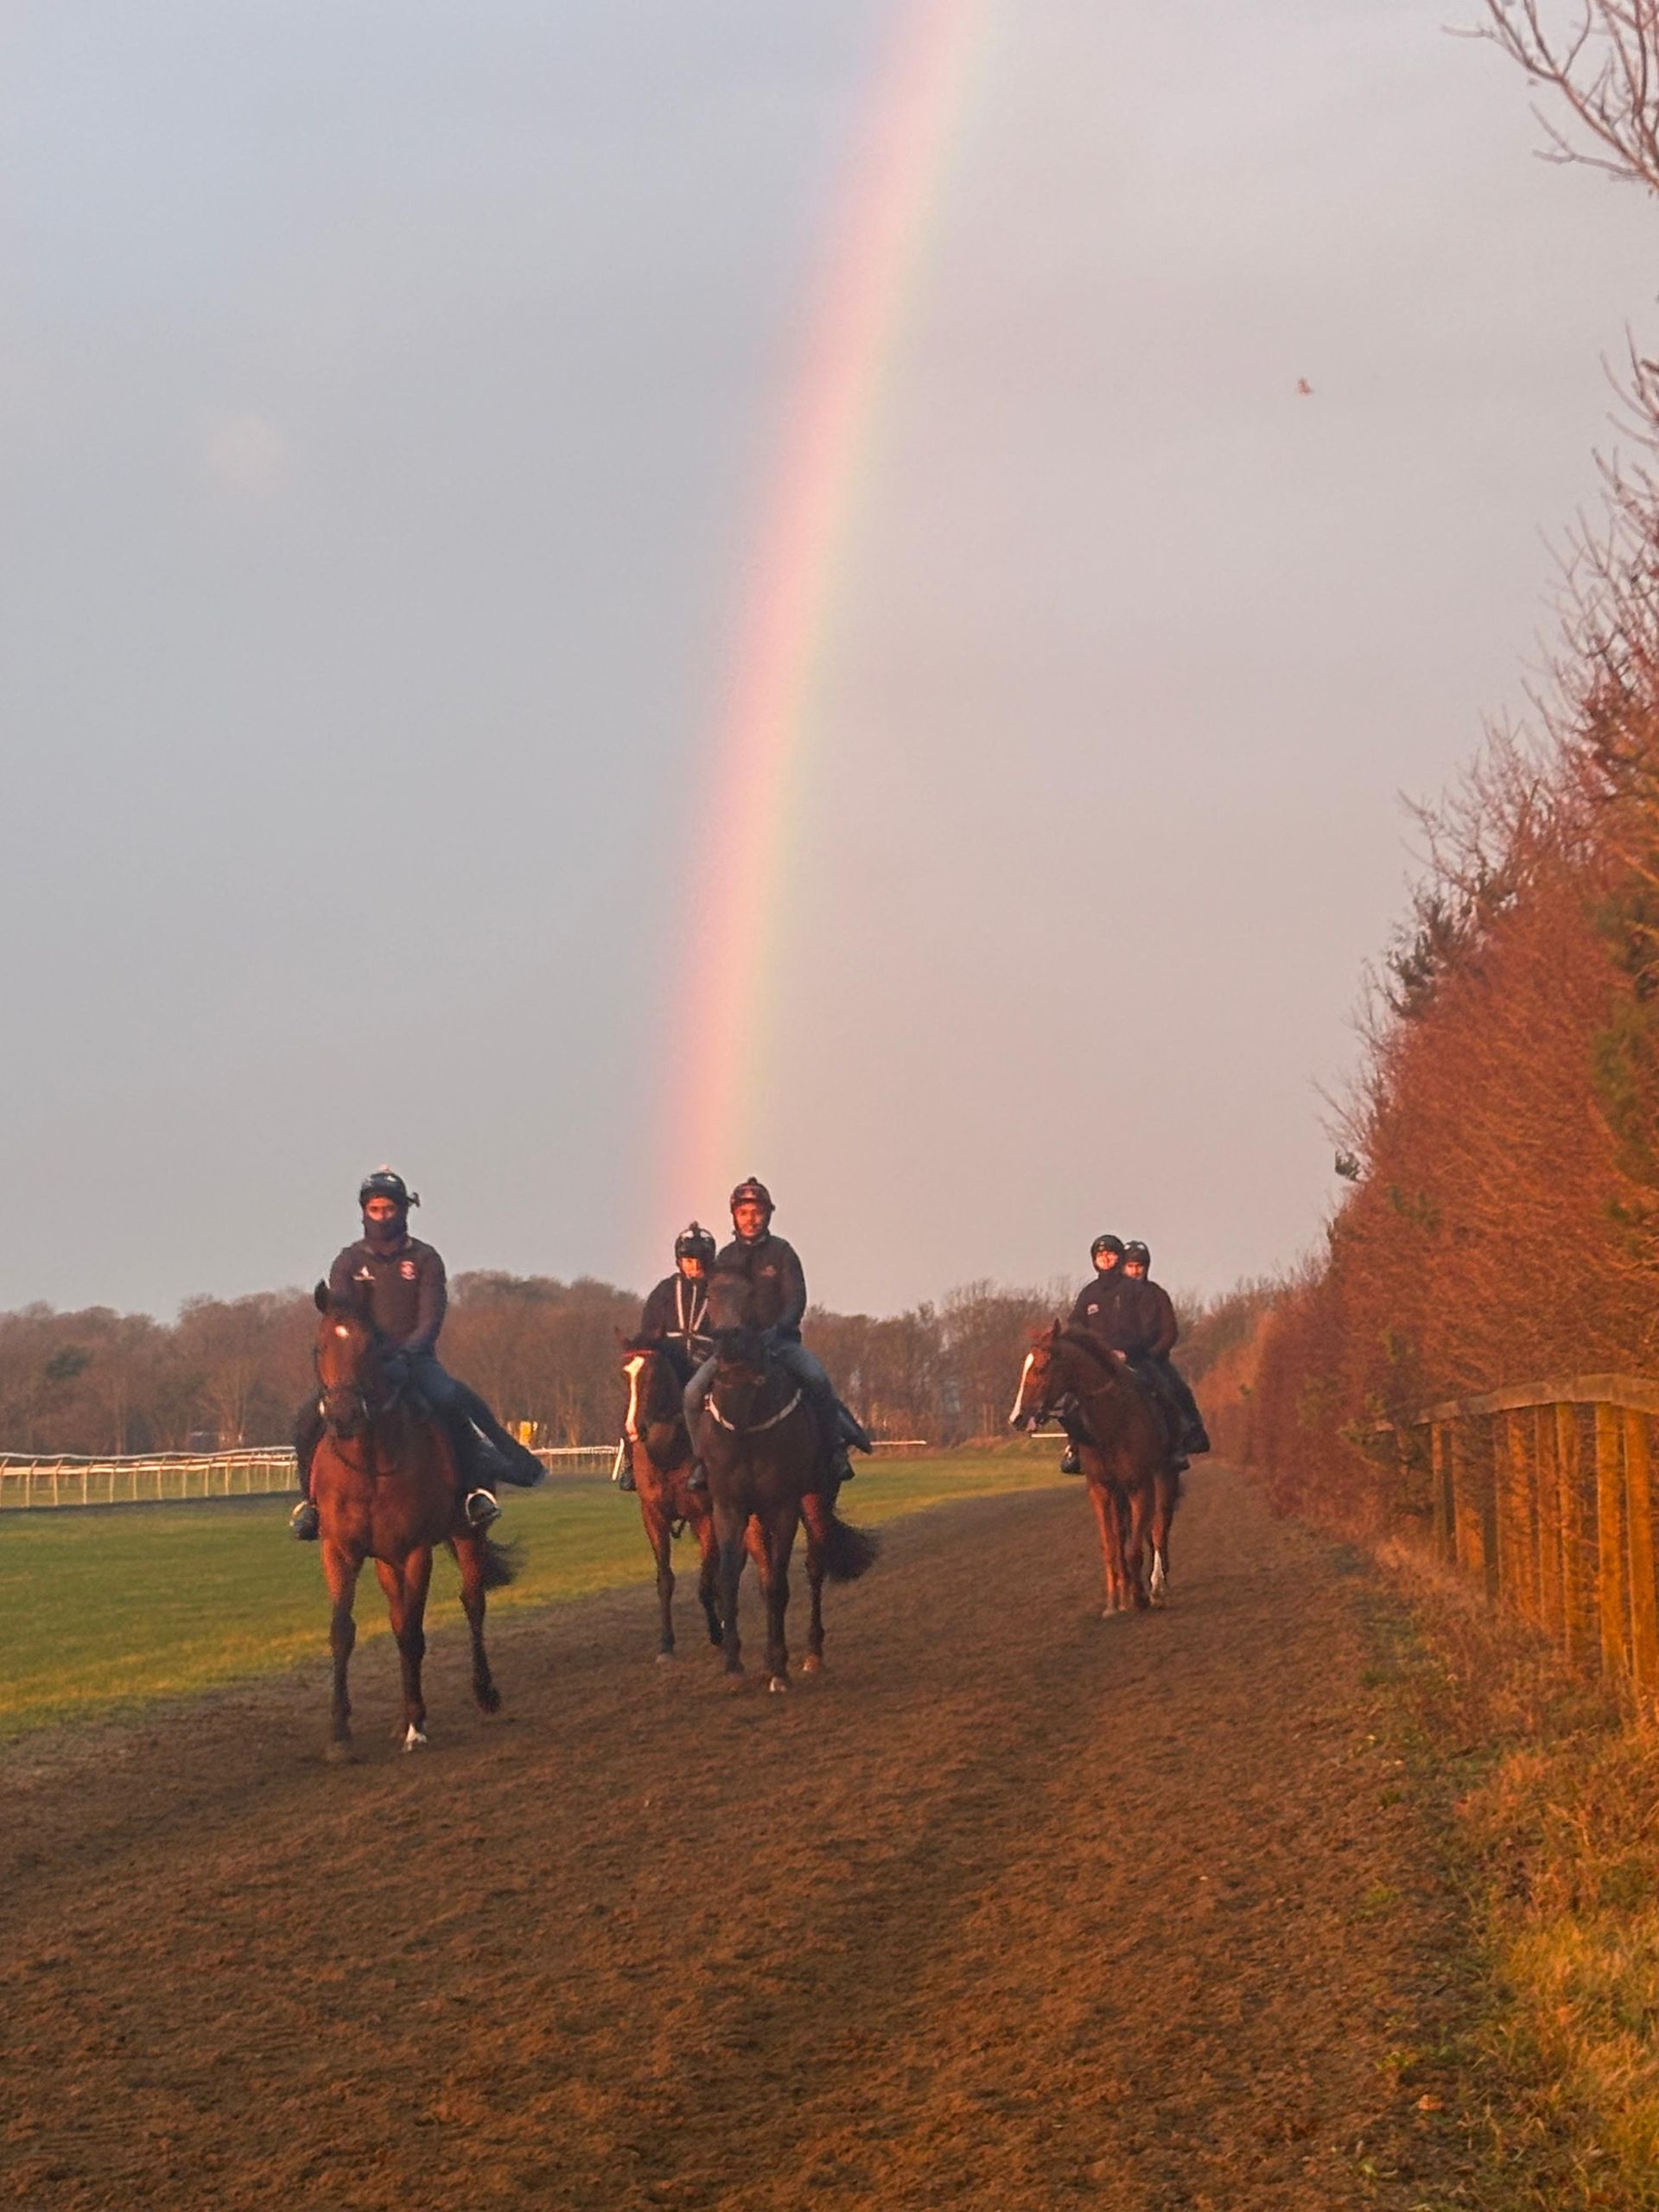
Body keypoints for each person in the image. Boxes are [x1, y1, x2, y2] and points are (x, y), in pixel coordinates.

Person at [289, 1169, 543, 1539]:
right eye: (374, 1209)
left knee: (450, 1398)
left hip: (415, 1360)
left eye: (388, 1208)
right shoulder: (347, 1261)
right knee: (306, 1419)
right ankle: (310, 1505)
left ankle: (474, 1492)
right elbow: (341, 1315)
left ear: (403, 1210)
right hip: (362, 1365)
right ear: (363, 1213)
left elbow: (430, 1318)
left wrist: (407, 1354)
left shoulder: (425, 1259)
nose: (382, 1216)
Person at [683, 1178, 872, 1490]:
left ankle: (835, 1451)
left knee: (817, 1379)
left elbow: (796, 1299)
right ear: (734, 1216)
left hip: (779, 1344)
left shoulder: (782, 1253)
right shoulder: (725, 1258)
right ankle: (701, 1462)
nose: (751, 1219)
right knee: (691, 1393)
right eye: (744, 1213)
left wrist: (777, 1331)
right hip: (735, 1350)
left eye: (757, 1212)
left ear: (768, 1215)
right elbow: (715, 1302)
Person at [615, 1223, 716, 1492]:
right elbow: (650, 1330)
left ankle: (708, 1463)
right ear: (679, 1261)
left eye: (701, 1261)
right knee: (637, 1396)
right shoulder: (664, 1292)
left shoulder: (719, 1291)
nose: (695, 1266)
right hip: (670, 1363)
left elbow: (726, 1330)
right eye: (689, 1261)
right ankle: (630, 1465)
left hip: (708, 1363)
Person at [1121, 1241, 1211, 1457]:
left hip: (1151, 1359)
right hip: (1117, 1358)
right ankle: (1076, 1447)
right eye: (1131, 1266)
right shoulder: (1112, 1296)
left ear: (1147, 1267)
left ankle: (1189, 1435)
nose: (1135, 1271)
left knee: (1178, 1390)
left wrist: (1154, 1353)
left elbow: (1170, 1331)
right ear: (1123, 1267)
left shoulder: (1157, 1295)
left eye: (1139, 1266)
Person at [1058, 1235, 1128, 1471]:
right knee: (1067, 1403)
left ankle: (1173, 1443)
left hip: (1130, 1358)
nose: (1106, 1259)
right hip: (1097, 1363)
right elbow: (1075, 1325)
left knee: (1160, 1390)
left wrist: (1128, 1349)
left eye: (1110, 1254)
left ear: (1119, 1258)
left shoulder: (1133, 1290)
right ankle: (1075, 1448)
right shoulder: (1088, 1293)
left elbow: (1145, 1326)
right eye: (1101, 1255)